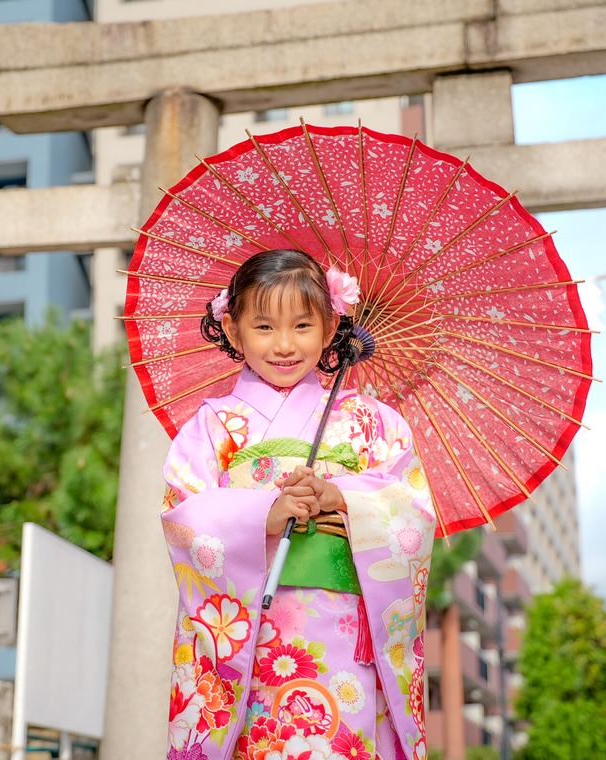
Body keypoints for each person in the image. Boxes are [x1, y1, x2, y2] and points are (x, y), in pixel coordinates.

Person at [161, 249, 436, 760]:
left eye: (303, 325)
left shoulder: (376, 424)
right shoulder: (212, 425)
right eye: (264, 327)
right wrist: (265, 514)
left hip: (346, 630)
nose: (284, 345)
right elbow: (183, 512)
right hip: (251, 634)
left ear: (332, 327)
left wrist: (346, 499)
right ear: (234, 329)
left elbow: (413, 511)